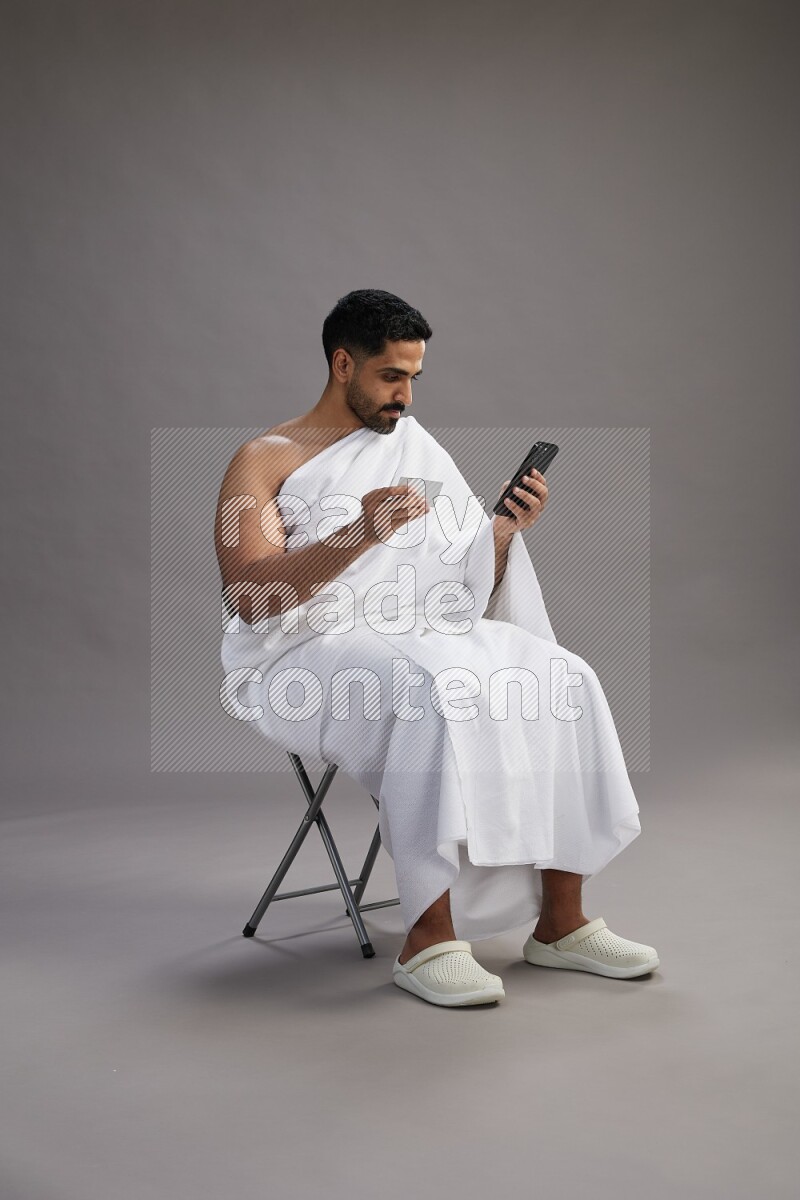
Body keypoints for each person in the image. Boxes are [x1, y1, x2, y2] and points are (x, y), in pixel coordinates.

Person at [214, 288, 659, 1008]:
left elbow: (453, 577)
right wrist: (358, 533)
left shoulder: (417, 449)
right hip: (300, 651)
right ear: (341, 364)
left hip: (417, 629)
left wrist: (504, 534)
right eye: (392, 376)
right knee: (430, 692)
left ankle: (561, 923)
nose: (406, 396)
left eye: (415, 377)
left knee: (563, 677)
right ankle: (428, 938)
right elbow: (249, 597)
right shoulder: (263, 460)